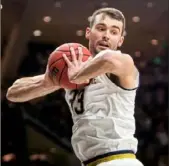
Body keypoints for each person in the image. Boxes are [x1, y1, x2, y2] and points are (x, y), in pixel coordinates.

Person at [7, 7, 143, 166]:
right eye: (101, 28)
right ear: (88, 32)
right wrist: (47, 82)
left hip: (119, 160)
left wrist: (78, 75)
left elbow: (110, 60)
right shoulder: (72, 67)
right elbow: (13, 93)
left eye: (114, 32)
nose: (106, 35)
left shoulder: (122, 65)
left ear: (120, 41)